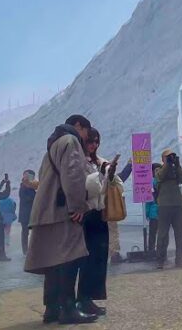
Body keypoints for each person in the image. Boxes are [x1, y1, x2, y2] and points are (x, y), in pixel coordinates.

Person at [24, 115, 95, 325]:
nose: (86, 137)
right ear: (78, 126)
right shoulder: (70, 141)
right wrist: (77, 206)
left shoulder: (52, 147)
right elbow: (73, 175)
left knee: (53, 262)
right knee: (69, 259)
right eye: (86, 132)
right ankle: (68, 308)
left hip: (46, 209)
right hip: (62, 210)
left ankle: (52, 308)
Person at [78, 128, 120, 317]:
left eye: (96, 142)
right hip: (86, 213)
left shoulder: (99, 161)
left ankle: (91, 298)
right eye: (90, 141)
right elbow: (86, 187)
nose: (93, 145)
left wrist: (110, 173)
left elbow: (109, 185)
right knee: (87, 259)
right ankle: (83, 299)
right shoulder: (79, 161)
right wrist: (101, 174)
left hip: (100, 212)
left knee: (99, 258)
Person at [155, 149, 182, 269]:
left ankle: (179, 260)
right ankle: (160, 261)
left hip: (177, 205)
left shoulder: (176, 169)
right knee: (162, 234)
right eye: (168, 156)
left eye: (172, 156)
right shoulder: (158, 169)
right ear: (163, 158)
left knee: (180, 234)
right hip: (164, 206)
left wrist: (177, 166)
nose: (171, 158)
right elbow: (159, 177)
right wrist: (167, 164)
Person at [108, 158, 133, 264]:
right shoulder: (111, 179)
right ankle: (114, 255)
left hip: (99, 210)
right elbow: (122, 176)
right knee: (113, 232)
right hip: (109, 211)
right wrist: (130, 165)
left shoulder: (97, 179)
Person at [18, 170, 38, 254]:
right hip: (25, 214)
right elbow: (26, 198)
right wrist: (36, 196)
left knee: (35, 232)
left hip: (33, 213)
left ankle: (34, 248)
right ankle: (25, 250)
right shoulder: (23, 187)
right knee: (25, 232)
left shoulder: (33, 187)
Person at [145, 163, 161, 255]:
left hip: (156, 213)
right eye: (156, 170)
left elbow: (148, 201)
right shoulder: (153, 183)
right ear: (152, 172)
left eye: (159, 170)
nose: (158, 172)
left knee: (153, 233)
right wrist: (147, 213)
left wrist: (147, 214)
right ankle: (157, 250)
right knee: (157, 233)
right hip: (155, 213)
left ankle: (152, 250)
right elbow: (148, 201)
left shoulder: (151, 183)